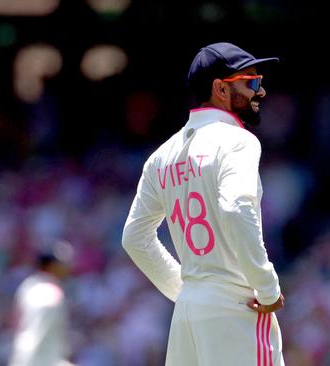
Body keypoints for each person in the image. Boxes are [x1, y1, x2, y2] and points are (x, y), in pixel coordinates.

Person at [122, 42, 285, 366]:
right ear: (220, 89)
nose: (261, 91)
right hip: (235, 305)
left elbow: (134, 238)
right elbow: (236, 207)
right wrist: (267, 287)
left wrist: (185, 290)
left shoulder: (161, 156)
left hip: (188, 313)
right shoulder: (238, 140)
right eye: (251, 82)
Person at [8, 241, 74, 366]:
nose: (67, 268)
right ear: (51, 266)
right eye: (62, 264)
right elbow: (36, 334)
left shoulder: (29, 286)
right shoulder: (49, 293)